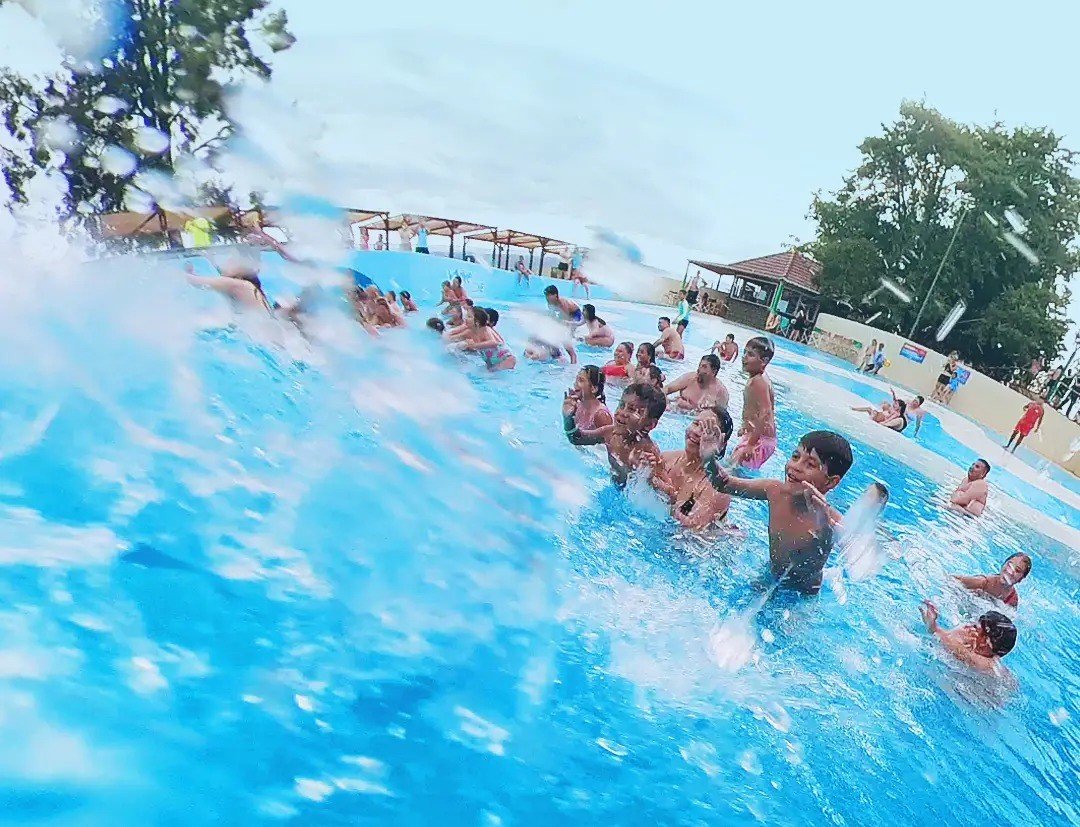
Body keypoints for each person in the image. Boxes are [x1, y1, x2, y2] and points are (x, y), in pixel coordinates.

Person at [701, 430, 854, 594]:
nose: (796, 466)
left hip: (800, 597)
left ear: (830, 482)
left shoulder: (830, 521)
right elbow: (723, 484)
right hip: (770, 576)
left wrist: (826, 531)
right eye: (795, 457)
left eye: (810, 465)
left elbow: (853, 554)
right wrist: (708, 458)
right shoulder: (775, 491)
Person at [563, 382, 667, 488]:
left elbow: (671, 493)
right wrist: (568, 419)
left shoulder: (649, 453)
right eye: (621, 405)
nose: (621, 412)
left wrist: (651, 478)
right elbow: (576, 438)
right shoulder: (610, 434)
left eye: (632, 409)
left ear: (649, 425)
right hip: (614, 488)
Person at [654, 404, 734, 530]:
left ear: (721, 444)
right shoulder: (666, 459)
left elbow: (695, 531)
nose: (696, 432)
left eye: (707, 431)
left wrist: (669, 496)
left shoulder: (718, 489)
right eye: (696, 424)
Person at [919, 603, 1016, 675]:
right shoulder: (988, 659)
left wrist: (934, 628)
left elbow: (960, 652)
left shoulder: (989, 666)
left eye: (975, 627)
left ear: (984, 643)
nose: (968, 627)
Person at [728, 336, 777, 470]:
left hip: (760, 440)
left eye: (750, 355)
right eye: (744, 352)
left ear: (764, 361)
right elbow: (754, 409)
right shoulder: (758, 379)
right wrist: (746, 426)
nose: (744, 357)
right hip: (758, 437)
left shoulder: (759, 381)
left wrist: (751, 444)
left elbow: (765, 413)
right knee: (732, 465)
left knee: (732, 472)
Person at [185, 259, 272, 314]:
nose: (228, 262)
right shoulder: (251, 289)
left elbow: (195, 281)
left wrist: (180, 273)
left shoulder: (241, 285)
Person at [954, 553, 1032, 609]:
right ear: (1003, 564)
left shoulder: (1012, 599)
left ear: (1021, 579)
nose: (1010, 571)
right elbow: (953, 580)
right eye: (1009, 565)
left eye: (1017, 570)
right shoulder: (983, 582)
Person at [664, 355, 729, 412]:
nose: (699, 369)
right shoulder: (689, 378)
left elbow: (721, 416)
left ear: (714, 372)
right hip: (675, 412)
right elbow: (666, 389)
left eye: (704, 367)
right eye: (700, 365)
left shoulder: (721, 393)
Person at [561, 365, 614, 435]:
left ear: (593, 389)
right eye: (576, 380)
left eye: (581, 380)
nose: (575, 383)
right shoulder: (577, 406)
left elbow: (608, 440)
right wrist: (567, 417)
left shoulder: (601, 415)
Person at [460, 307, 515, 371]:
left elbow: (493, 343)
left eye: (469, 317)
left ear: (477, 322)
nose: (465, 318)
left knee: (489, 374)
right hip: (493, 363)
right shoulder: (472, 332)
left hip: (506, 359)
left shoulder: (486, 329)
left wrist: (474, 345)